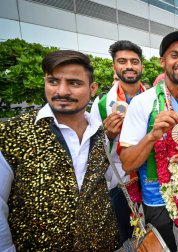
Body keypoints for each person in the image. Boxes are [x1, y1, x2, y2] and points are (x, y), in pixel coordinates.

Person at [0, 50, 118, 251]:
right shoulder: (11, 133)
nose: (62, 91)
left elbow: (108, 180)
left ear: (92, 89)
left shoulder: (100, 133)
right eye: (53, 81)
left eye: (74, 83)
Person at [118, 30, 178, 252]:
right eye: (174, 55)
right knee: (166, 248)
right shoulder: (142, 103)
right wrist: (152, 136)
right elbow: (127, 163)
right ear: (162, 62)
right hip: (157, 196)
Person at [90, 40, 146, 244]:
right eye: (122, 61)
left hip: (152, 176)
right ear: (114, 66)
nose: (129, 66)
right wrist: (109, 135)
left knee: (156, 230)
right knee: (125, 233)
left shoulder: (154, 99)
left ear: (142, 66)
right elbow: (93, 146)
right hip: (121, 178)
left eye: (134, 61)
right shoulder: (103, 103)